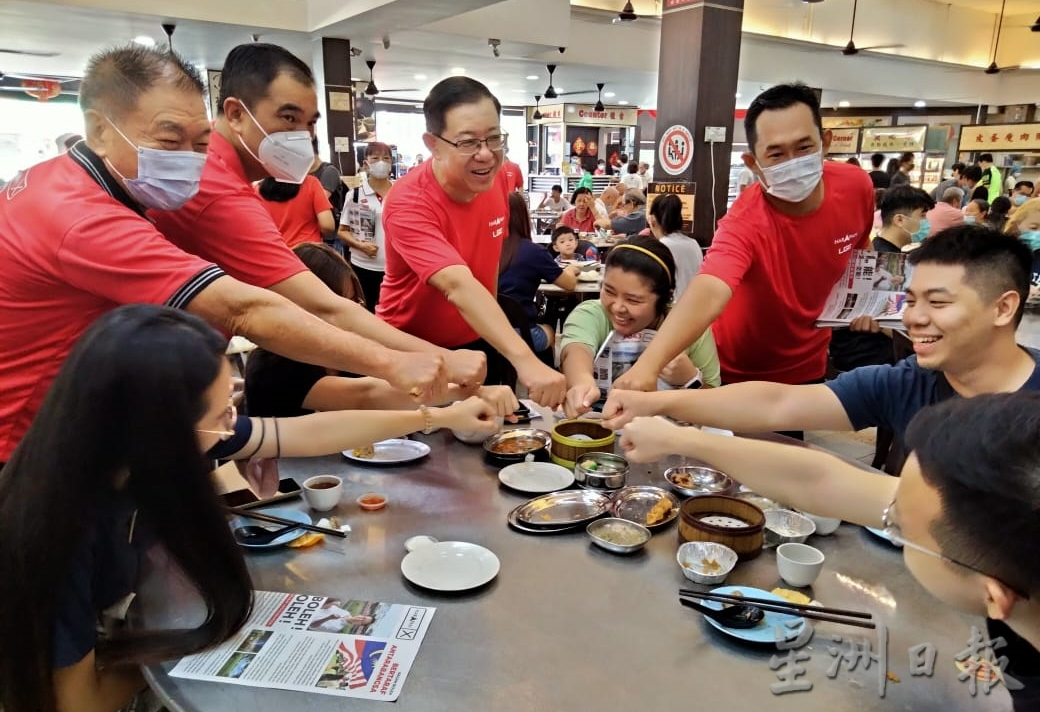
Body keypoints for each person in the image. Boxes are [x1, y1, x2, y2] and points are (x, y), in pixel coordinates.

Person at [0, 304, 499, 712]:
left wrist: (438, 414)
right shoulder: (55, 530)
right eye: (222, 416)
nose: (232, 427)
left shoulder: (136, 445)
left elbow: (302, 432)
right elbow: (76, 702)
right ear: (158, 425)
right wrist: (187, 647)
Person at [0, 45, 451, 466]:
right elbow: (250, 308)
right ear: (99, 130)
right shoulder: (81, 216)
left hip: (87, 419)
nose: (191, 161)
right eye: (168, 138)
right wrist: (395, 362)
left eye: (200, 143)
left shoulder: (61, 181)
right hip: (28, 445)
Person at [618, 391, 1040, 712]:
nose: (885, 511)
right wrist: (678, 437)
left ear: (993, 597)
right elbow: (820, 481)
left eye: (897, 526)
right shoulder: (998, 513)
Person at [148, 43, 484, 400]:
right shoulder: (217, 188)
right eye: (288, 118)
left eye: (309, 123)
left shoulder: (225, 177)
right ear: (235, 114)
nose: (302, 136)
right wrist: (438, 360)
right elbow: (326, 309)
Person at [603, 225, 1040, 461]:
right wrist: (656, 405)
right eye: (910, 300)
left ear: (1003, 308)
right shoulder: (906, 382)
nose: (914, 317)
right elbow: (776, 405)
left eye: (937, 302)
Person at [612, 83, 873, 395]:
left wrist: (867, 303)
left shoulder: (856, 186)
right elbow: (709, 288)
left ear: (825, 142)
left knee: (789, 444)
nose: (792, 162)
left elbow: (860, 250)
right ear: (754, 163)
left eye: (804, 148)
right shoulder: (744, 221)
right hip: (736, 370)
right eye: (776, 154)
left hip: (808, 366)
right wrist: (648, 367)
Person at [377, 76, 566, 406]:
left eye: (494, 139)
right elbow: (458, 285)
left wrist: (495, 344)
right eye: (468, 143)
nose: (486, 155)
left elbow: (488, 269)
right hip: (410, 347)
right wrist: (526, 360)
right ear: (433, 144)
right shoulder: (408, 201)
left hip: (474, 343)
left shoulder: (498, 179)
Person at [246, 243, 518, 418]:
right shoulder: (274, 365)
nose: (350, 314)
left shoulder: (343, 351)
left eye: (355, 302)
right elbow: (365, 395)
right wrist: (467, 392)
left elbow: (384, 388)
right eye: (337, 305)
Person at [560, 237, 720, 418]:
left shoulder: (689, 326)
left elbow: (715, 404)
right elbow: (576, 350)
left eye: (633, 300)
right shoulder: (592, 314)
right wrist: (582, 381)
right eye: (609, 291)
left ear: (665, 298)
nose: (618, 307)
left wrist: (690, 378)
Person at [498, 193, 579, 353]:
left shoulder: (487, 248)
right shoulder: (533, 252)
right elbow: (569, 284)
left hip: (489, 333)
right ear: (524, 216)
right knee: (550, 328)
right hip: (523, 334)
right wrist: (570, 268)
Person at [338, 141, 393, 311]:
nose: (381, 162)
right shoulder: (354, 195)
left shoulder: (401, 192)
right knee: (365, 310)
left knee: (392, 311)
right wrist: (360, 246)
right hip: (363, 266)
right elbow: (342, 232)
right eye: (375, 158)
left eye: (386, 158)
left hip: (394, 268)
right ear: (365, 163)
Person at [254, 174, 334, 248]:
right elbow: (327, 226)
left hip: (275, 251)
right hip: (308, 252)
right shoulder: (311, 182)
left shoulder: (257, 189)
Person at [647, 193, 701, 298]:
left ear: (653, 219)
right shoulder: (693, 243)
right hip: (695, 305)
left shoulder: (661, 247)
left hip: (672, 307)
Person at [874, 185, 934, 252]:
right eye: (922, 215)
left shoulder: (877, 248)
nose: (926, 221)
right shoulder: (886, 258)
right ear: (899, 220)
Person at [308, 136, 346, 235]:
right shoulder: (302, 174)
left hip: (329, 236)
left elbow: (317, 202)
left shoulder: (329, 171)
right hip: (311, 231)